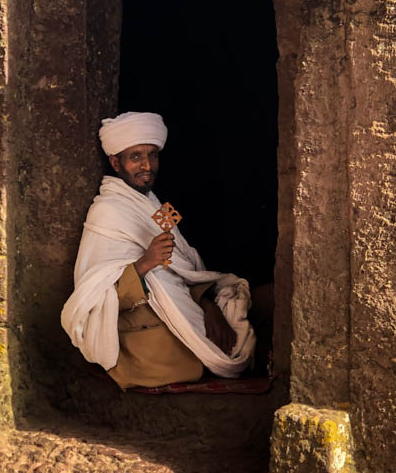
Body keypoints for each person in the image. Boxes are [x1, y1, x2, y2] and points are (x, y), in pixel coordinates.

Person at [61, 111, 258, 390]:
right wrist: (145, 263)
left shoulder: (154, 205)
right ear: (116, 162)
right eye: (135, 157)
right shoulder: (106, 212)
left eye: (152, 155)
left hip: (182, 305)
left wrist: (206, 304)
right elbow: (96, 300)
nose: (147, 165)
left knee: (237, 323)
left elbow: (183, 268)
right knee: (228, 350)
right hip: (142, 330)